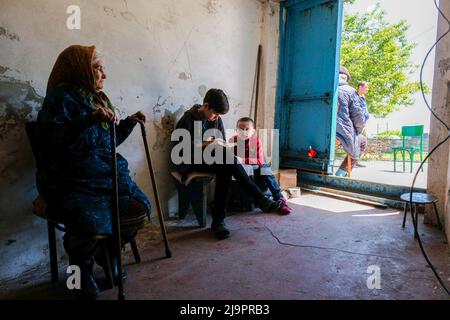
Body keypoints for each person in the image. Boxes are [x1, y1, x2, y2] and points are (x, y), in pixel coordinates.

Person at [36, 45, 151, 299]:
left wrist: (129, 123)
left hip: (105, 175)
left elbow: (107, 141)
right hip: (69, 179)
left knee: (137, 209)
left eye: (103, 69)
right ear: (79, 70)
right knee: (90, 220)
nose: (104, 75)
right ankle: (81, 267)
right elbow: (54, 140)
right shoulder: (59, 99)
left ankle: (108, 252)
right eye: (98, 69)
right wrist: (89, 119)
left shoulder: (98, 98)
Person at [170, 89, 290, 240]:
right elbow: (180, 154)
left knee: (226, 166)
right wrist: (205, 144)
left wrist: (217, 145)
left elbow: (221, 144)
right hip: (189, 162)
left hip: (212, 159)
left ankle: (219, 221)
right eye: (215, 113)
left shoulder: (215, 119)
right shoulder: (187, 120)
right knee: (226, 161)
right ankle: (258, 200)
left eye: (219, 115)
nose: (216, 118)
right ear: (206, 106)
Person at [229, 117, 291, 212]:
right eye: (241, 129)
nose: (244, 132)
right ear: (236, 129)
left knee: (265, 167)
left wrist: (243, 160)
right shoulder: (232, 140)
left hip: (256, 169)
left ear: (253, 130)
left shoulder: (256, 140)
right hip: (241, 171)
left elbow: (260, 160)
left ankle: (279, 197)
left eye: (247, 129)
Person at [335, 66, 367, 177]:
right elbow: (358, 117)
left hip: (320, 132)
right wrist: (358, 130)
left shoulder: (322, 88)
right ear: (345, 78)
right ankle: (341, 173)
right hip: (339, 134)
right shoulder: (350, 91)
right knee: (362, 142)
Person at [356, 81, 370, 167]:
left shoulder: (363, 97)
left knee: (364, 142)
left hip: (363, 124)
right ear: (360, 87)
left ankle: (355, 161)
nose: (367, 89)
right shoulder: (355, 96)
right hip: (358, 123)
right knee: (357, 142)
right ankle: (352, 161)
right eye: (366, 87)